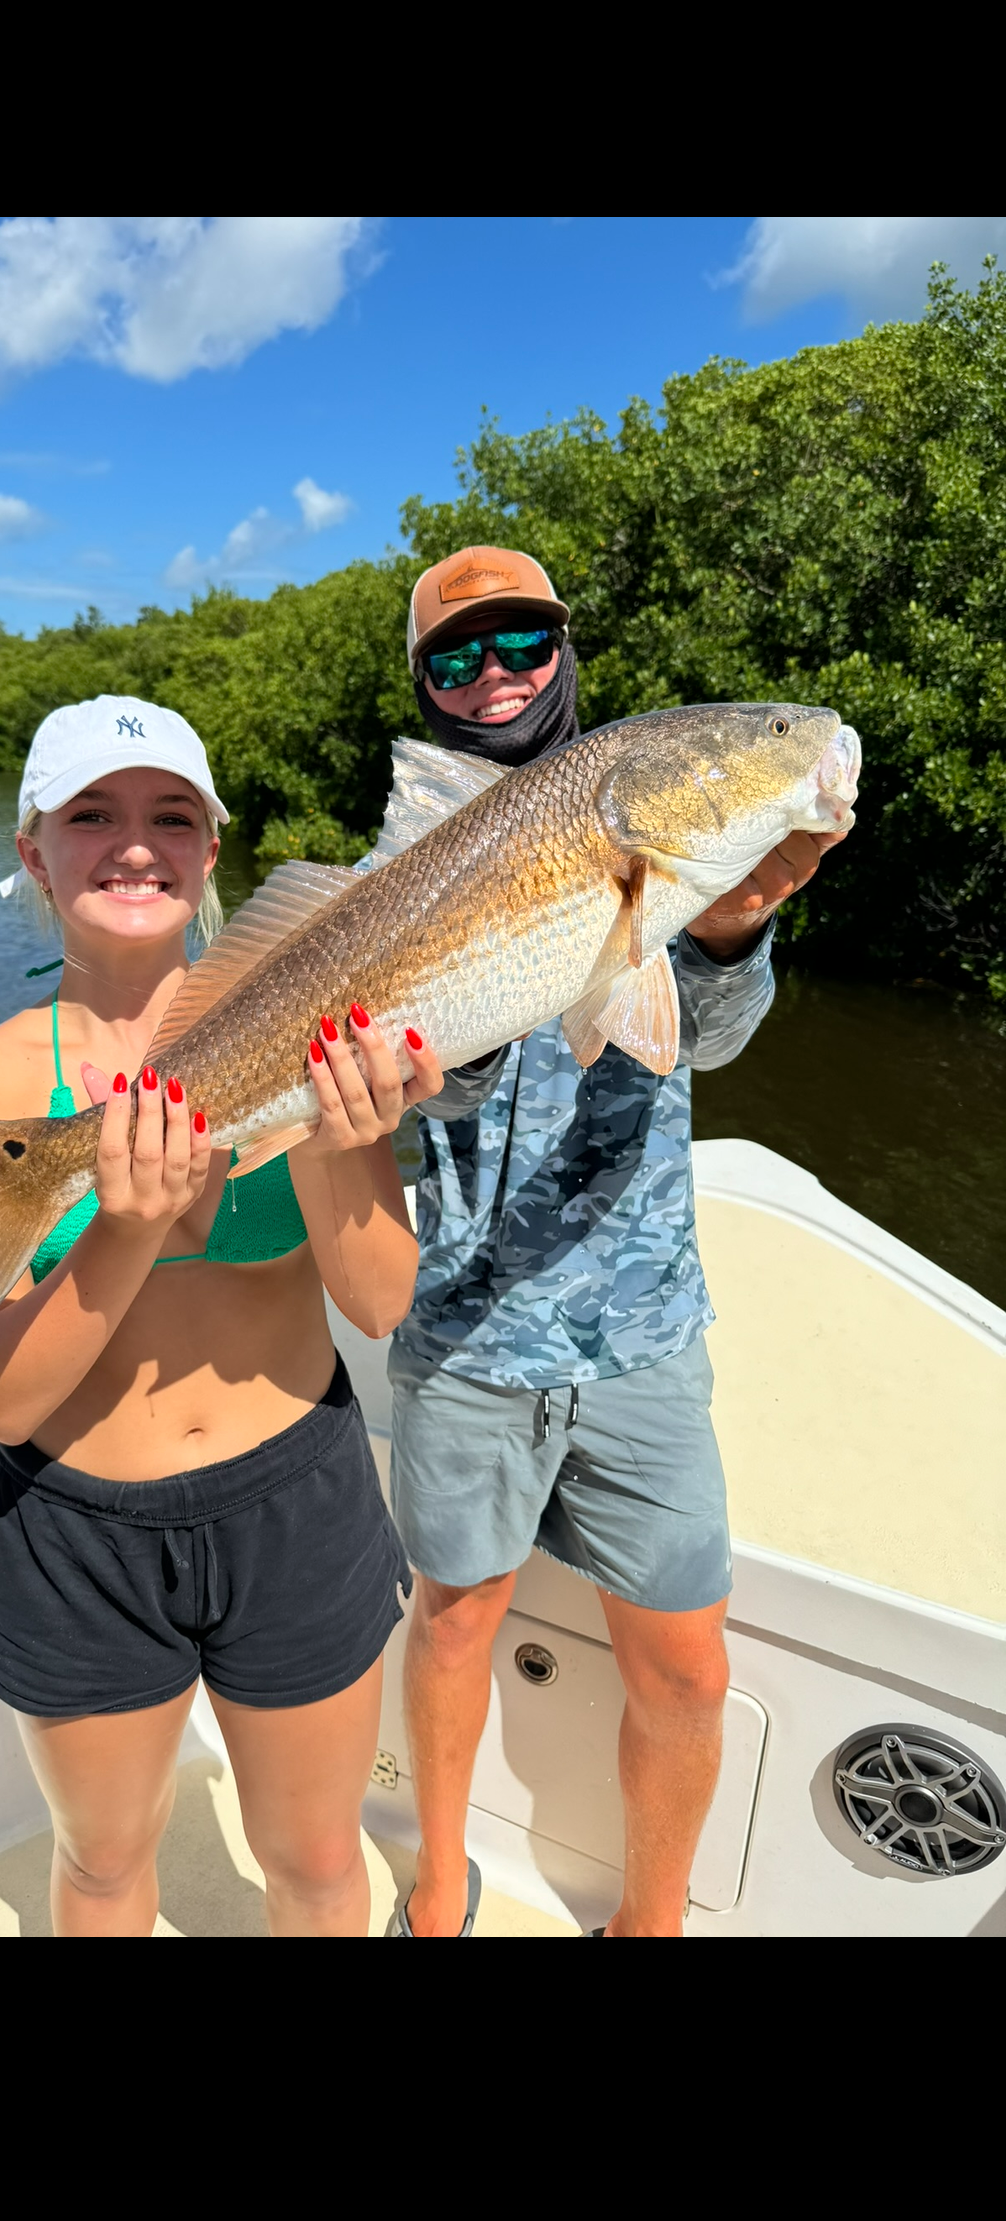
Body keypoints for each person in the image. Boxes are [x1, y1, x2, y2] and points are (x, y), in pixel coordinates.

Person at [0, 694, 443, 1937]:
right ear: (33, 849)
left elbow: (380, 1298)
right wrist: (130, 1220)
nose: (133, 844)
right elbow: (4, 1401)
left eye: (170, 817)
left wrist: (336, 1130)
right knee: (101, 1862)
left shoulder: (332, 1020)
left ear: (211, 853)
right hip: (74, 1530)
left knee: (313, 1858)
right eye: (91, 815)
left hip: (296, 1500)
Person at [387, 547, 846, 1937]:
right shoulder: (396, 863)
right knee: (454, 1618)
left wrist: (735, 921)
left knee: (687, 1665)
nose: (494, 675)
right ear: (421, 684)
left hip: (639, 1328)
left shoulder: (648, 806)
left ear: (565, 649)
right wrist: (434, 1067)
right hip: (463, 1326)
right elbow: (407, 1103)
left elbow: (694, 1034)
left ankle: (650, 1922)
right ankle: (437, 1878)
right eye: (455, 657)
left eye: (518, 639)